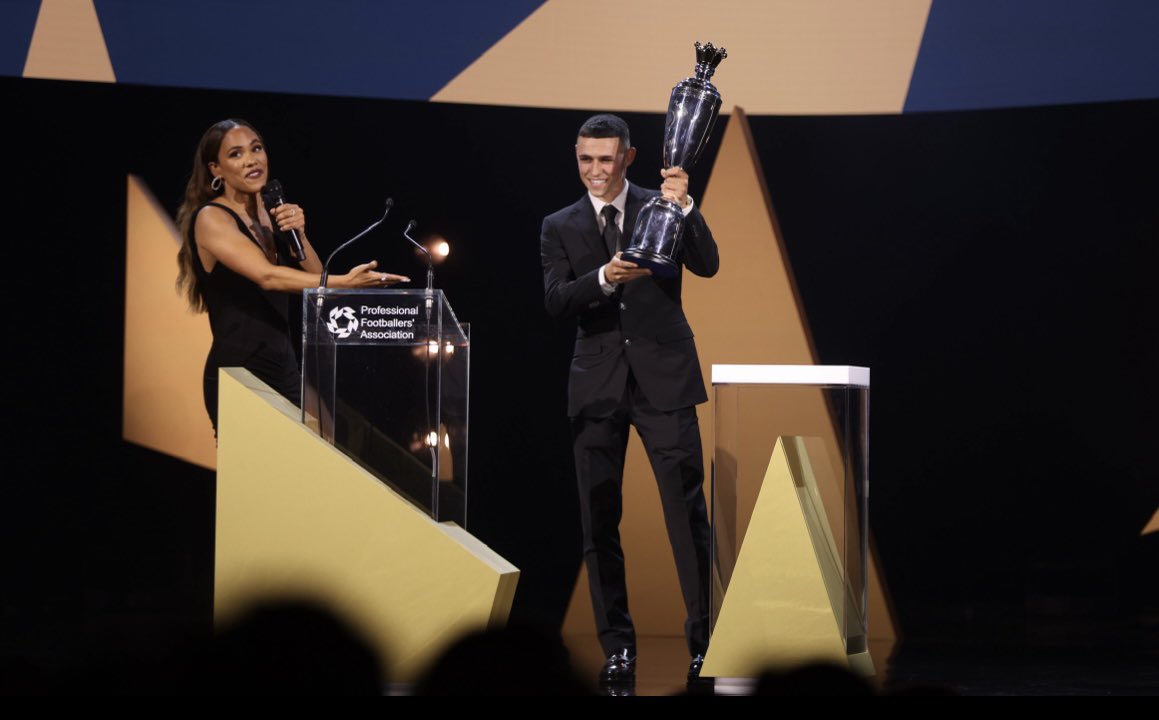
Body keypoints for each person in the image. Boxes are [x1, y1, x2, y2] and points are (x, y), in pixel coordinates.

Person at [540, 113, 719, 691]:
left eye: (607, 159)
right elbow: (556, 301)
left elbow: (708, 265)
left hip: (664, 380)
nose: (596, 170)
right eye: (586, 160)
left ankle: (704, 644)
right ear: (576, 158)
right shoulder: (558, 225)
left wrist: (687, 208)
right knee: (599, 521)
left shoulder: (661, 204)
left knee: (687, 516)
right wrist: (604, 279)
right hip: (596, 387)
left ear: (629, 157)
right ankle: (617, 647)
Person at [176, 118, 407, 435]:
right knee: (257, 478)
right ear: (216, 169)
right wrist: (345, 280)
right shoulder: (212, 218)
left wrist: (299, 235)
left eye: (256, 149)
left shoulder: (274, 213)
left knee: (318, 453)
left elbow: (316, 281)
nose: (252, 160)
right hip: (239, 371)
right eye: (236, 154)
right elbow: (268, 277)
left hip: (284, 365)